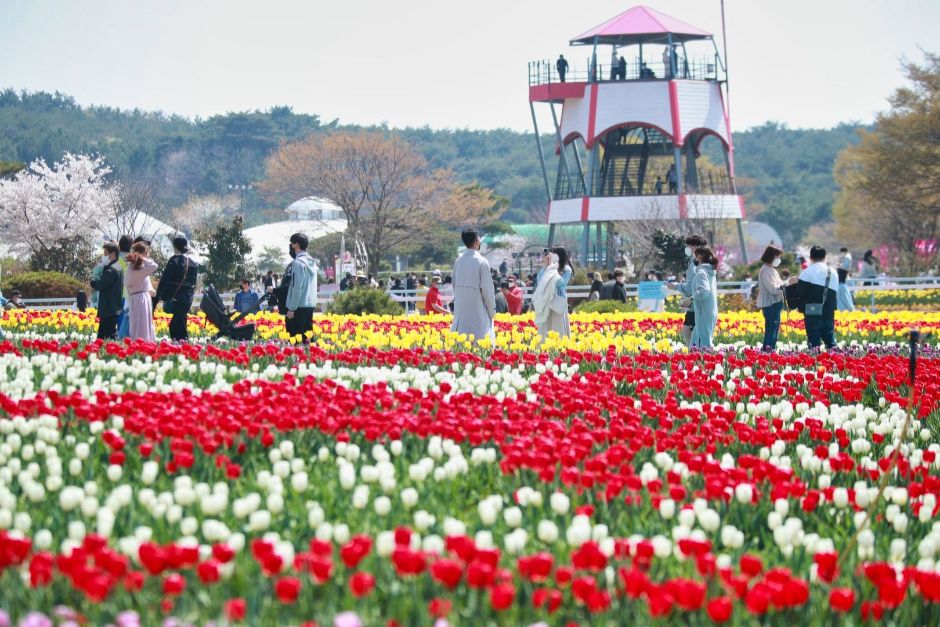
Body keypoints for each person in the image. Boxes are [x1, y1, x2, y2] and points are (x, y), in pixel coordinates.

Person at [451, 229, 496, 342]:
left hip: (461, 314)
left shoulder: (458, 262)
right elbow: (487, 290)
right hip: (478, 313)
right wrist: (492, 311)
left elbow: (454, 285)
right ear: (477, 241)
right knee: (480, 347)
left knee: (462, 348)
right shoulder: (482, 262)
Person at [795, 245, 839, 350]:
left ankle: (815, 363)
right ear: (825, 257)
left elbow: (800, 292)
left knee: (814, 343)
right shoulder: (833, 272)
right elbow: (835, 290)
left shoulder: (807, 272)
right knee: (830, 341)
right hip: (828, 310)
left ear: (810, 257)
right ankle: (835, 362)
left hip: (812, 311)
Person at [155, 236, 199, 342]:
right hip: (187, 297)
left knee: (176, 326)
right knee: (180, 321)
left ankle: (181, 346)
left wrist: (159, 295)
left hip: (175, 297)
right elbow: (194, 282)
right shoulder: (192, 263)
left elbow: (165, 279)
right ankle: (183, 345)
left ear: (175, 247)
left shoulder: (174, 261)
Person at [667, 235, 707, 345]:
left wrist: (676, 287)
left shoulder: (696, 265)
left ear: (695, 247)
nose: (687, 248)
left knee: (689, 333)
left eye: (688, 246)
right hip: (692, 304)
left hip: (696, 305)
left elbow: (691, 285)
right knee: (687, 332)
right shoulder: (693, 262)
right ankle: (693, 355)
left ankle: (694, 356)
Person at [533, 246, 572, 339]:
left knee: (558, 331)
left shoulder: (566, 269)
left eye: (553, 254)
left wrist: (551, 269)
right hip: (546, 304)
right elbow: (540, 280)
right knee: (546, 332)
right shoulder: (548, 267)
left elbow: (560, 282)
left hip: (557, 304)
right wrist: (546, 266)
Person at [285, 232, 318, 341]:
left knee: (296, 342)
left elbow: (296, 288)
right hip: (309, 306)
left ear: (296, 245)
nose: (291, 245)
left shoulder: (298, 263)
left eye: (292, 243)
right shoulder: (312, 263)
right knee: (307, 341)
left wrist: (291, 308)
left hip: (298, 308)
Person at [124, 242, 158, 342]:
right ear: (145, 253)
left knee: (137, 325)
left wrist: (139, 257)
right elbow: (154, 265)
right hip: (141, 298)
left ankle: (139, 344)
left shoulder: (132, 266)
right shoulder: (137, 268)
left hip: (136, 297)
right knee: (142, 325)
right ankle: (143, 345)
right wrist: (141, 257)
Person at [756, 245, 788, 351]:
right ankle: (768, 351)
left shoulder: (772, 270)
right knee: (771, 331)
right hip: (770, 304)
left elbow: (779, 285)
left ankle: (770, 350)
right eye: (777, 257)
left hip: (775, 303)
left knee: (774, 330)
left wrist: (786, 283)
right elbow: (773, 289)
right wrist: (787, 283)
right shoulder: (765, 270)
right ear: (771, 256)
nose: (779, 260)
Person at [90, 242, 123, 340]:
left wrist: (93, 283)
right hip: (109, 308)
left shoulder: (112, 270)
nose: (104, 256)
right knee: (103, 337)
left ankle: (109, 354)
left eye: (105, 253)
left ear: (112, 254)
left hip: (109, 309)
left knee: (107, 337)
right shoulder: (115, 267)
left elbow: (101, 285)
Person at [690, 247, 719, 350]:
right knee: (697, 339)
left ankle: (707, 364)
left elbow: (704, 291)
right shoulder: (710, 272)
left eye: (696, 254)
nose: (694, 256)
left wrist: (691, 299)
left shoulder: (702, 272)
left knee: (704, 344)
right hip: (710, 310)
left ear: (700, 256)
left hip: (703, 311)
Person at [116, 235, 132, 339]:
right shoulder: (133, 259)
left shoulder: (116, 259)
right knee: (127, 322)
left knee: (118, 320)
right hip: (130, 294)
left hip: (117, 294)